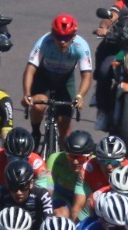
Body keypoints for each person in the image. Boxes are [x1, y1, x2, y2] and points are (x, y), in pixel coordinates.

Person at [23, 14, 93, 145]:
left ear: (74, 36)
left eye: (66, 38)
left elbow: (87, 75)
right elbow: (30, 69)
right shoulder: (44, 42)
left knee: (64, 125)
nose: (62, 42)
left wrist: (79, 96)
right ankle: (36, 132)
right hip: (43, 78)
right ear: (52, 34)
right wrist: (27, 94)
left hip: (65, 82)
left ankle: (62, 153)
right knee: (38, 106)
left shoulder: (81, 46)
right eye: (58, 37)